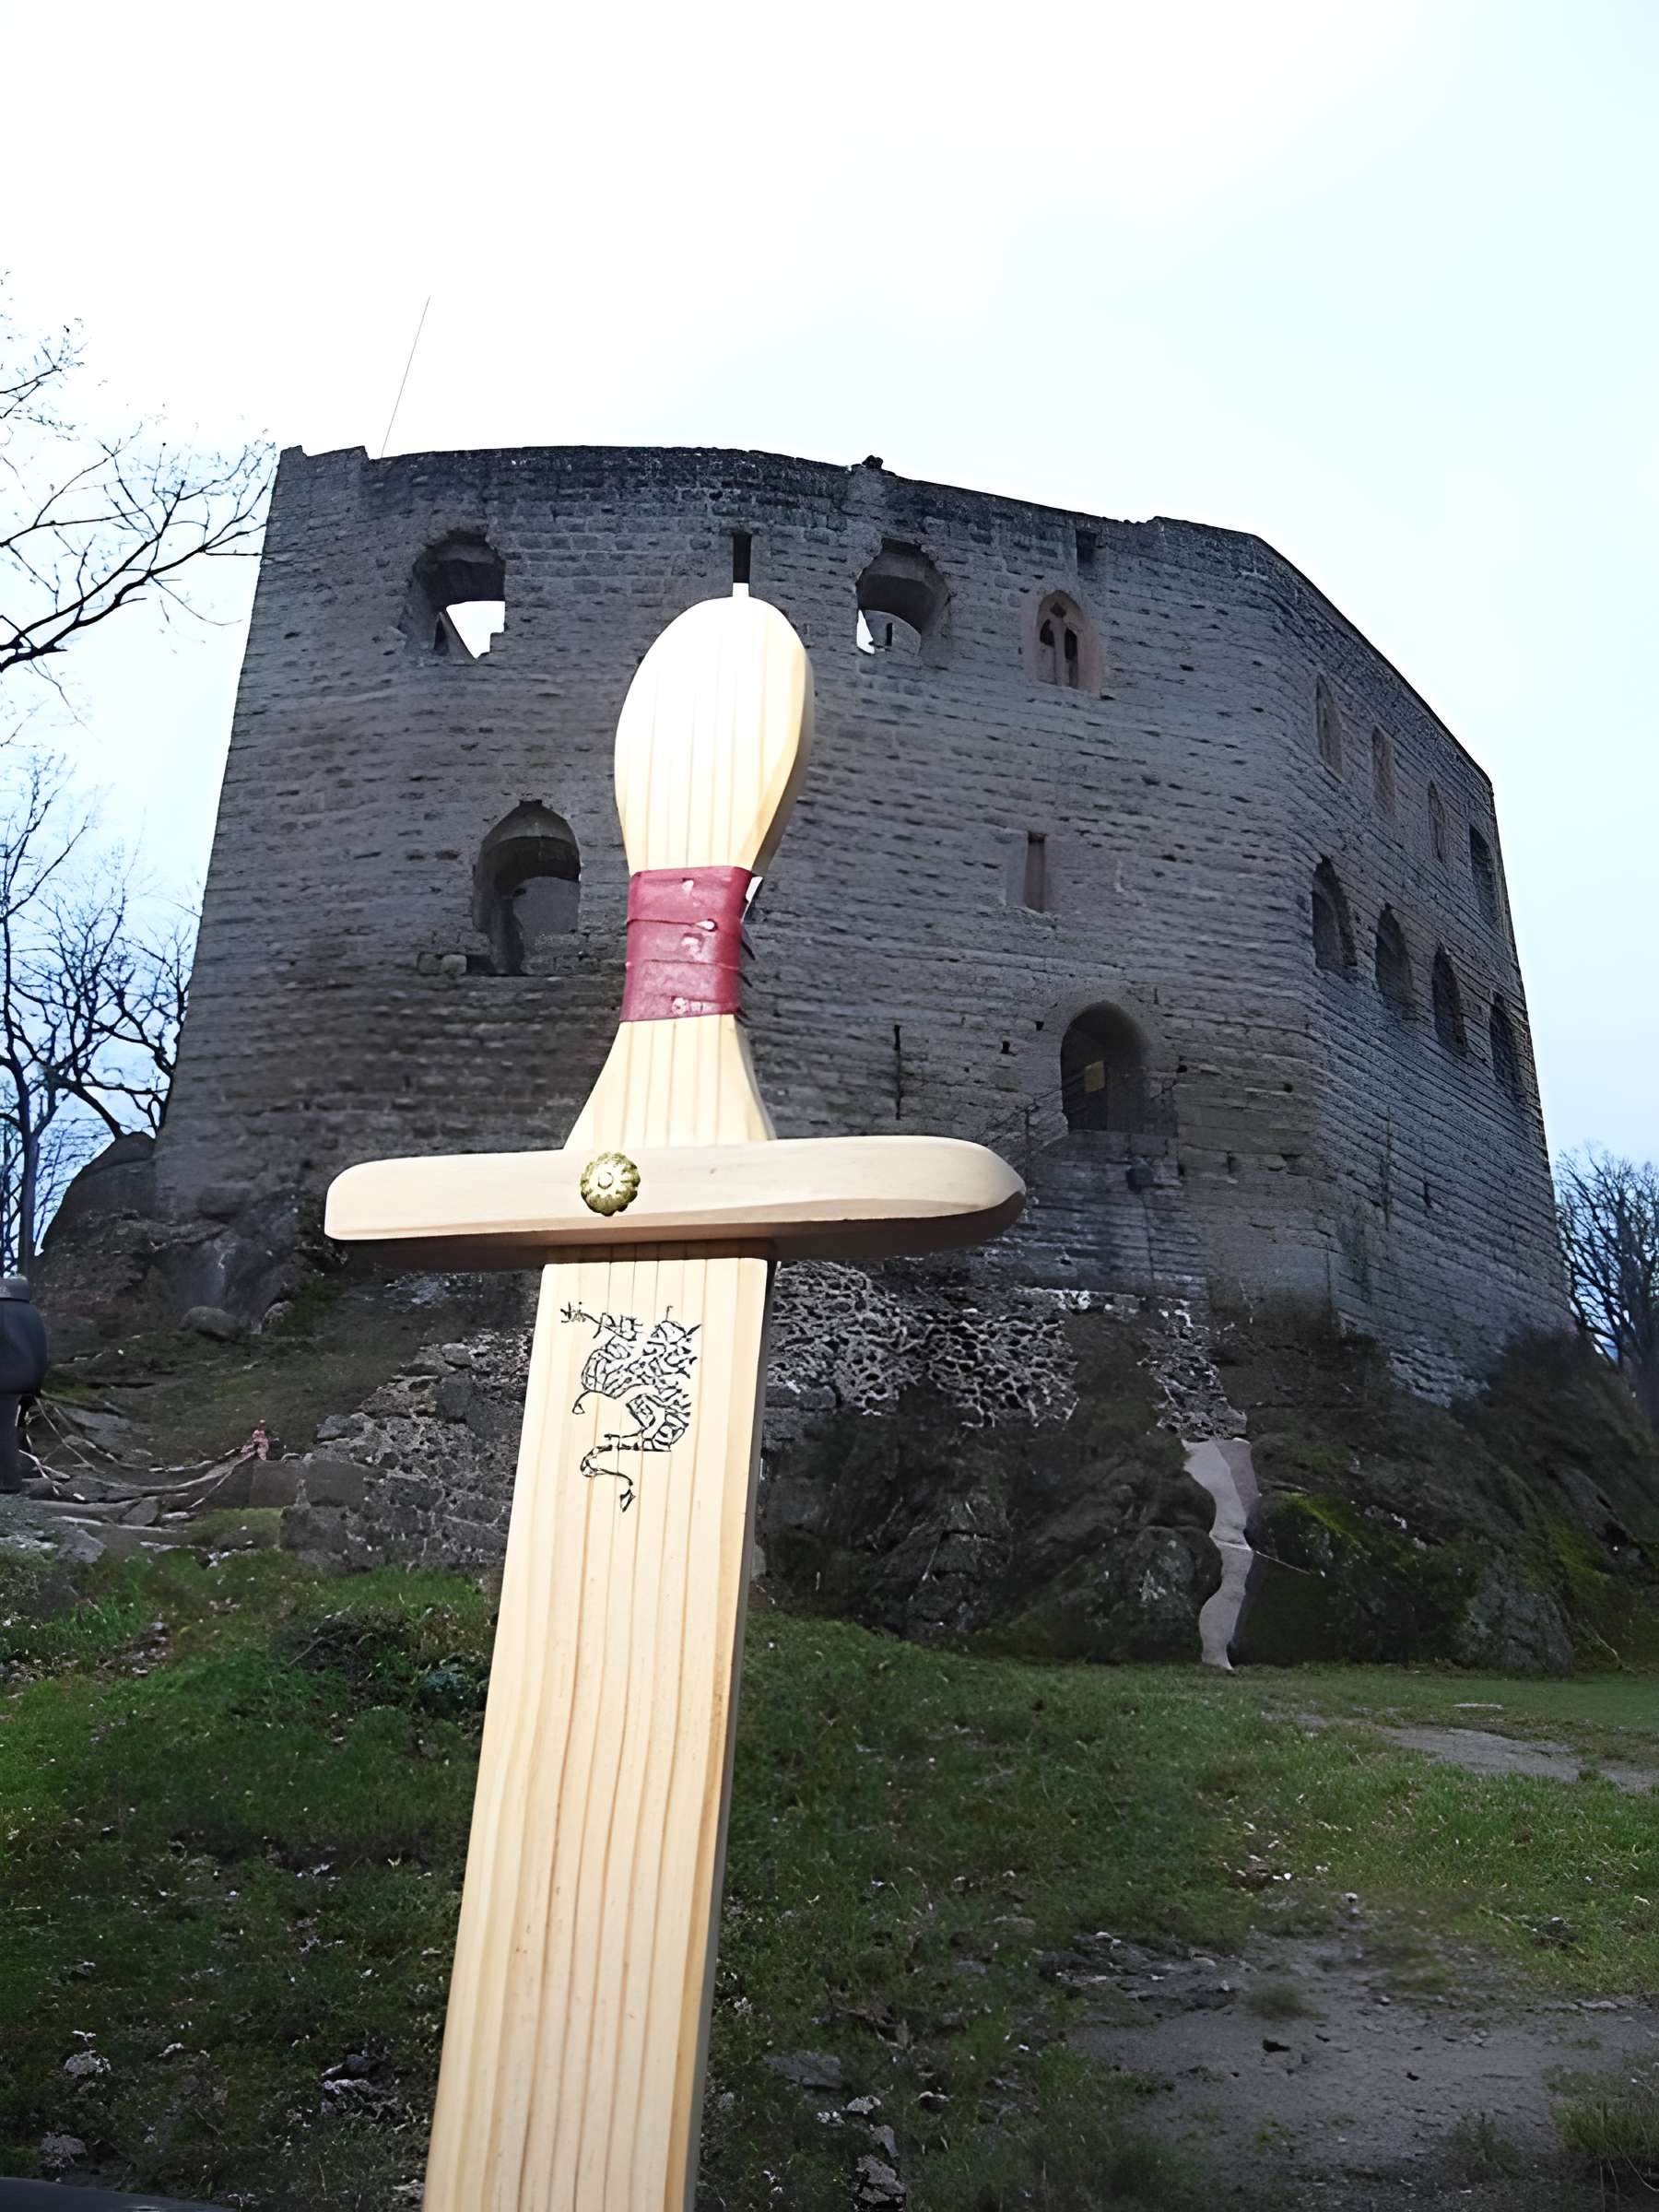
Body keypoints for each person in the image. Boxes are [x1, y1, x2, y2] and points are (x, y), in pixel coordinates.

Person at [0, 1275, 49, 1495]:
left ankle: (10, 1482)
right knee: (7, 1428)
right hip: (25, 1381)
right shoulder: (32, 1314)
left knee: (3, 1430)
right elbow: (42, 1354)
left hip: (4, 1379)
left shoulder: (2, 1311)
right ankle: (12, 1478)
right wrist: (35, 1387)